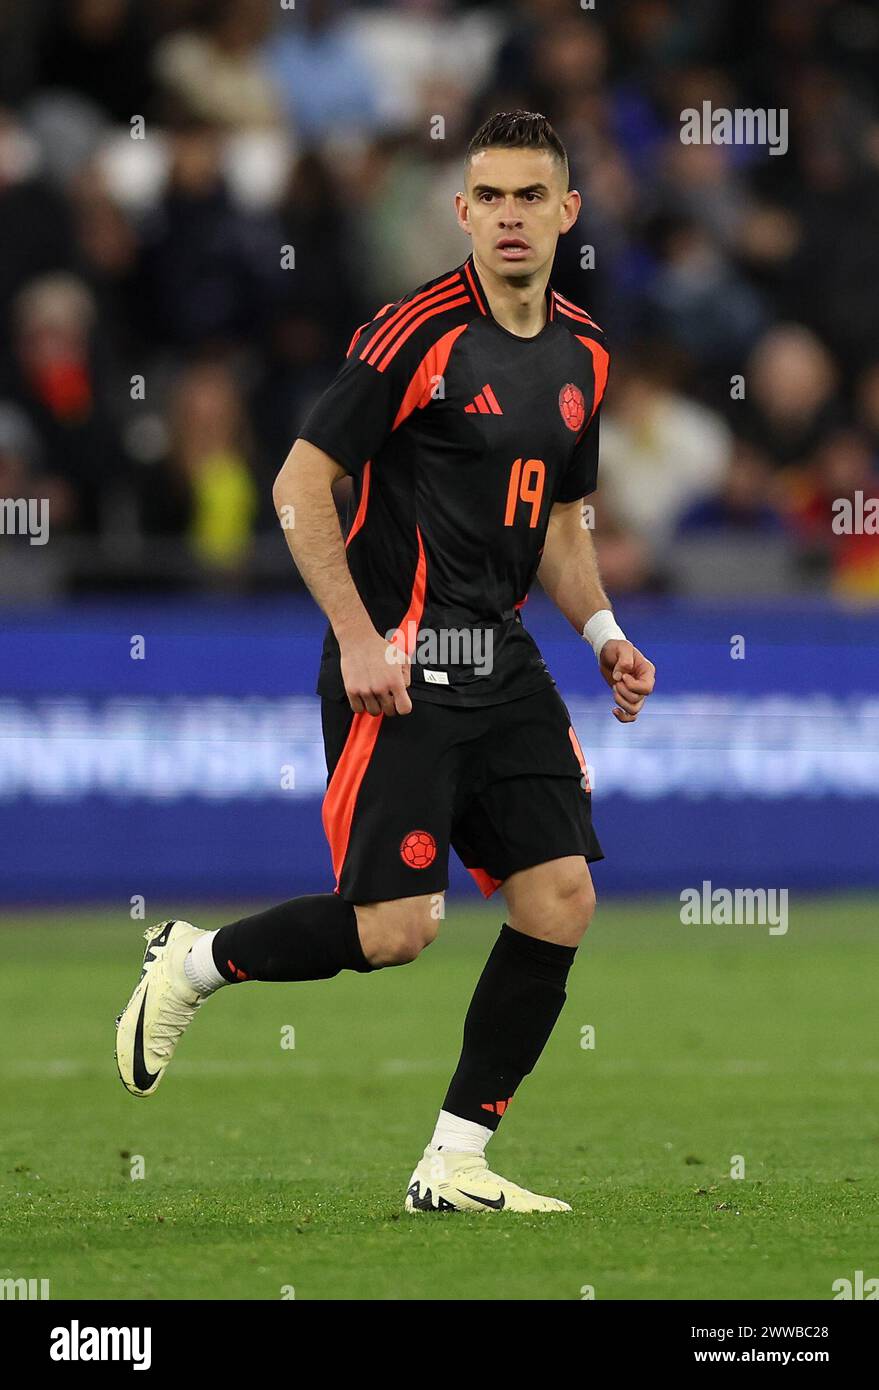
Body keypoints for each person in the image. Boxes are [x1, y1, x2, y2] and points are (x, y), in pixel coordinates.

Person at [115, 111, 656, 1214]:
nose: (509, 217)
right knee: (395, 930)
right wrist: (362, 637)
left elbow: (558, 518)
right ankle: (192, 961)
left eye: (529, 197)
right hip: (402, 656)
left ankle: (453, 1161)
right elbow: (298, 487)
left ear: (568, 211)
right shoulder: (414, 334)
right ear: (461, 211)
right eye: (489, 197)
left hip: (499, 654)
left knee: (560, 896)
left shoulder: (585, 352)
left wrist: (603, 633)